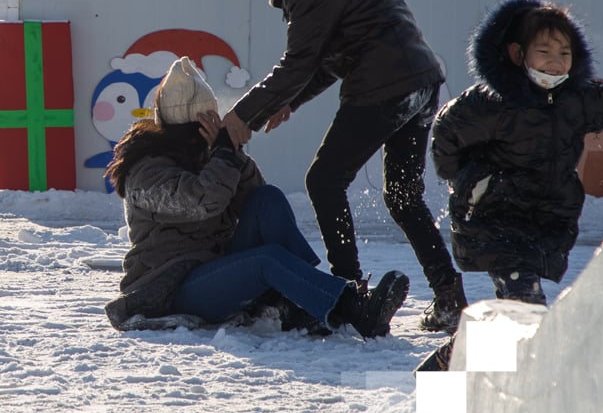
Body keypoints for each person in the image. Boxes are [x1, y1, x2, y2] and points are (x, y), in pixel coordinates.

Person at [221, 0, 464, 333]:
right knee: (404, 198)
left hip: (385, 85)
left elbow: (298, 63)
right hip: (420, 82)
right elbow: (329, 57)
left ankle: (350, 294)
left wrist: (243, 117)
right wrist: (290, 102)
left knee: (324, 180)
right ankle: (449, 299)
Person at [103, 57, 403, 337]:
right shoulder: (146, 173)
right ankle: (352, 309)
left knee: (267, 199)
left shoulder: (203, 154)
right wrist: (221, 154)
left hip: (213, 266)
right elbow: (203, 202)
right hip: (172, 287)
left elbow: (252, 198)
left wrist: (232, 154)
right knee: (265, 261)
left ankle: (306, 303)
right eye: (203, 124)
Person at [431, 0, 603, 309]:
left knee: (517, 308)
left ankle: (461, 353)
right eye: (544, 52)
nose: (556, 61)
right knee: (525, 302)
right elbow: (447, 130)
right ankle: (474, 353)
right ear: (517, 54)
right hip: (495, 216)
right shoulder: (493, 103)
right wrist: (462, 177)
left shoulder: (575, 99)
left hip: (546, 217)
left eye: (564, 53)